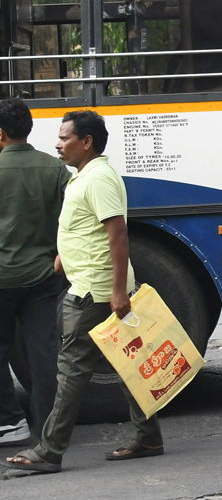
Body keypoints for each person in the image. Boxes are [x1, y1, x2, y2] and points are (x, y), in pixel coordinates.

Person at [4, 110, 164, 476]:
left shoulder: (98, 179)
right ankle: (148, 436)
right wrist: (65, 254)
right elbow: (86, 227)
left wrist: (119, 291)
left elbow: (117, 234)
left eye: (65, 138)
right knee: (128, 364)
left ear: (86, 142)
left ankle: (49, 450)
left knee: (71, 371)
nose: (58, 144)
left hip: (95, 291)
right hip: (95, 284)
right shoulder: (86, 175)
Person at [0, 98, 68, 446]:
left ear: (0, 133)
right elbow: (74, 220)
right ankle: (48, 429)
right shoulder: (54, 169)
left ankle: (10, 421)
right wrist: (60, 257)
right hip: (43, 276)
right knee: (44, 352)